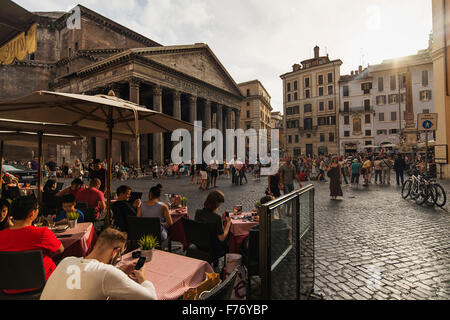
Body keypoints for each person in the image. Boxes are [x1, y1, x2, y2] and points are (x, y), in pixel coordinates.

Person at [40, 227, 157, 300]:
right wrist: (142, 276)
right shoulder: (105, 273)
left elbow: (83, 283)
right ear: (115, 252)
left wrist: (120, 271)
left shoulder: (67, 261)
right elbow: (150, 297)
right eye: (120, 254)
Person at [0, 196, 64, 294]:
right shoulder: (42, 233)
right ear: (32, 213)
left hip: (8, 289)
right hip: (44, 287)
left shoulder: (1, 235)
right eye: (37, 209)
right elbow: (60, 250)